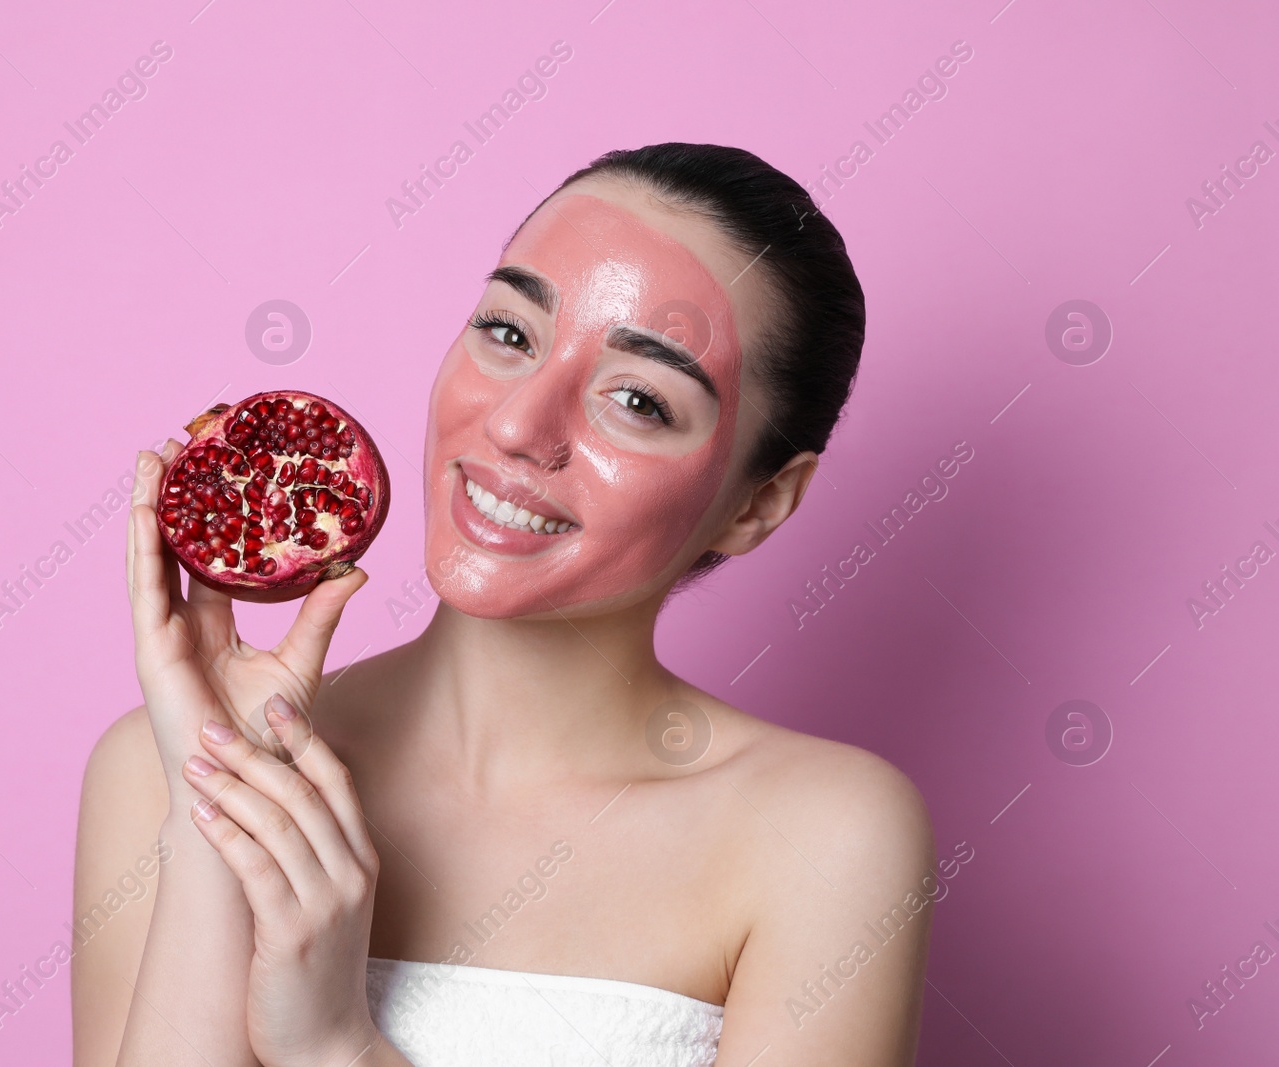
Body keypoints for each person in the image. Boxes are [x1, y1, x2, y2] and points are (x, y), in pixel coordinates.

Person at [74, 142, 935, 1067]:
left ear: (759, 501)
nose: (520, 425)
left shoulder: (823, 838)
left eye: (640, 399)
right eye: (512, 333)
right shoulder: (161, 767)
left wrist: (336, 1047)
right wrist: (221, 811)